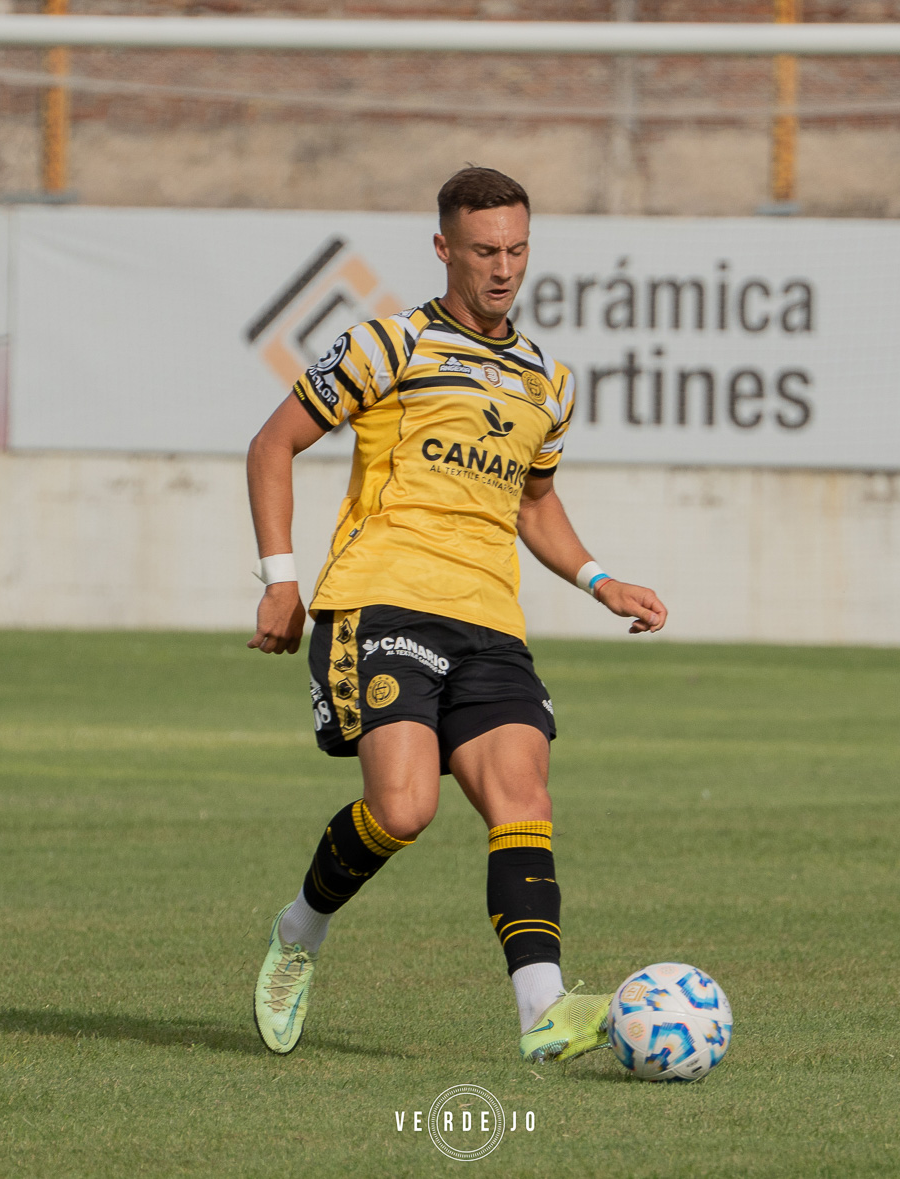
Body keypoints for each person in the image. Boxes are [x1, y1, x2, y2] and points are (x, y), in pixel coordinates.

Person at [245, 166, 667, 1062]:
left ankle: (541, 1011)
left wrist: (600, 579)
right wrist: (280, 578)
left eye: (517, 249)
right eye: (484, 250)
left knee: (525, 797)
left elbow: (534, 501)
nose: (503, 268)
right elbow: (272, 442)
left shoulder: (549, 379)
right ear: (444, 249)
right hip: (382, 597)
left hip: (491, 620)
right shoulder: (385, 348)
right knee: (402, 809)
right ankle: (301, 928)